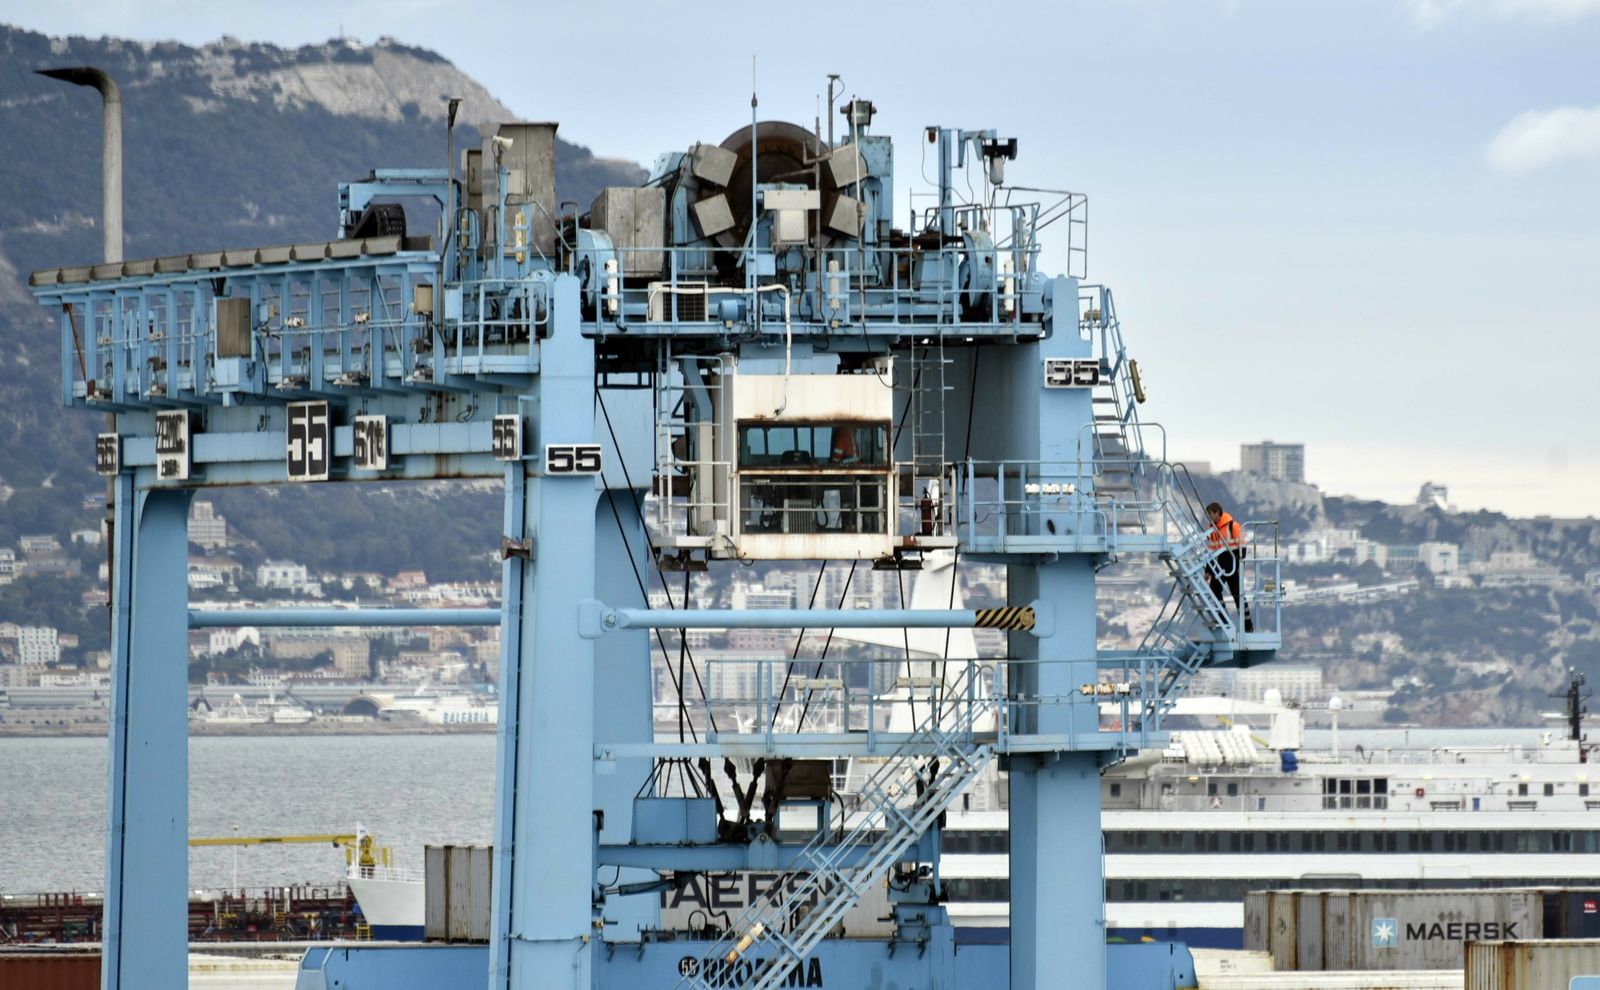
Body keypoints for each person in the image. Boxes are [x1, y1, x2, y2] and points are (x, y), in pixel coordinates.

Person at [1205, 501, 1253, 633]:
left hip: (1233, 562)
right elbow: (1211, 552)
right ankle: (1223, 619)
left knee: (1238, 595)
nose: (1209, 518)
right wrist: (1207, 571)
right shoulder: (1212, 531)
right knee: (1214, 589)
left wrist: (1238, 565)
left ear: (1216, 513)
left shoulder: (1233, 526)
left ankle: (1248, 626)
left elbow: (1242, 547)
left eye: (1210, 515)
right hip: (1221, 563)